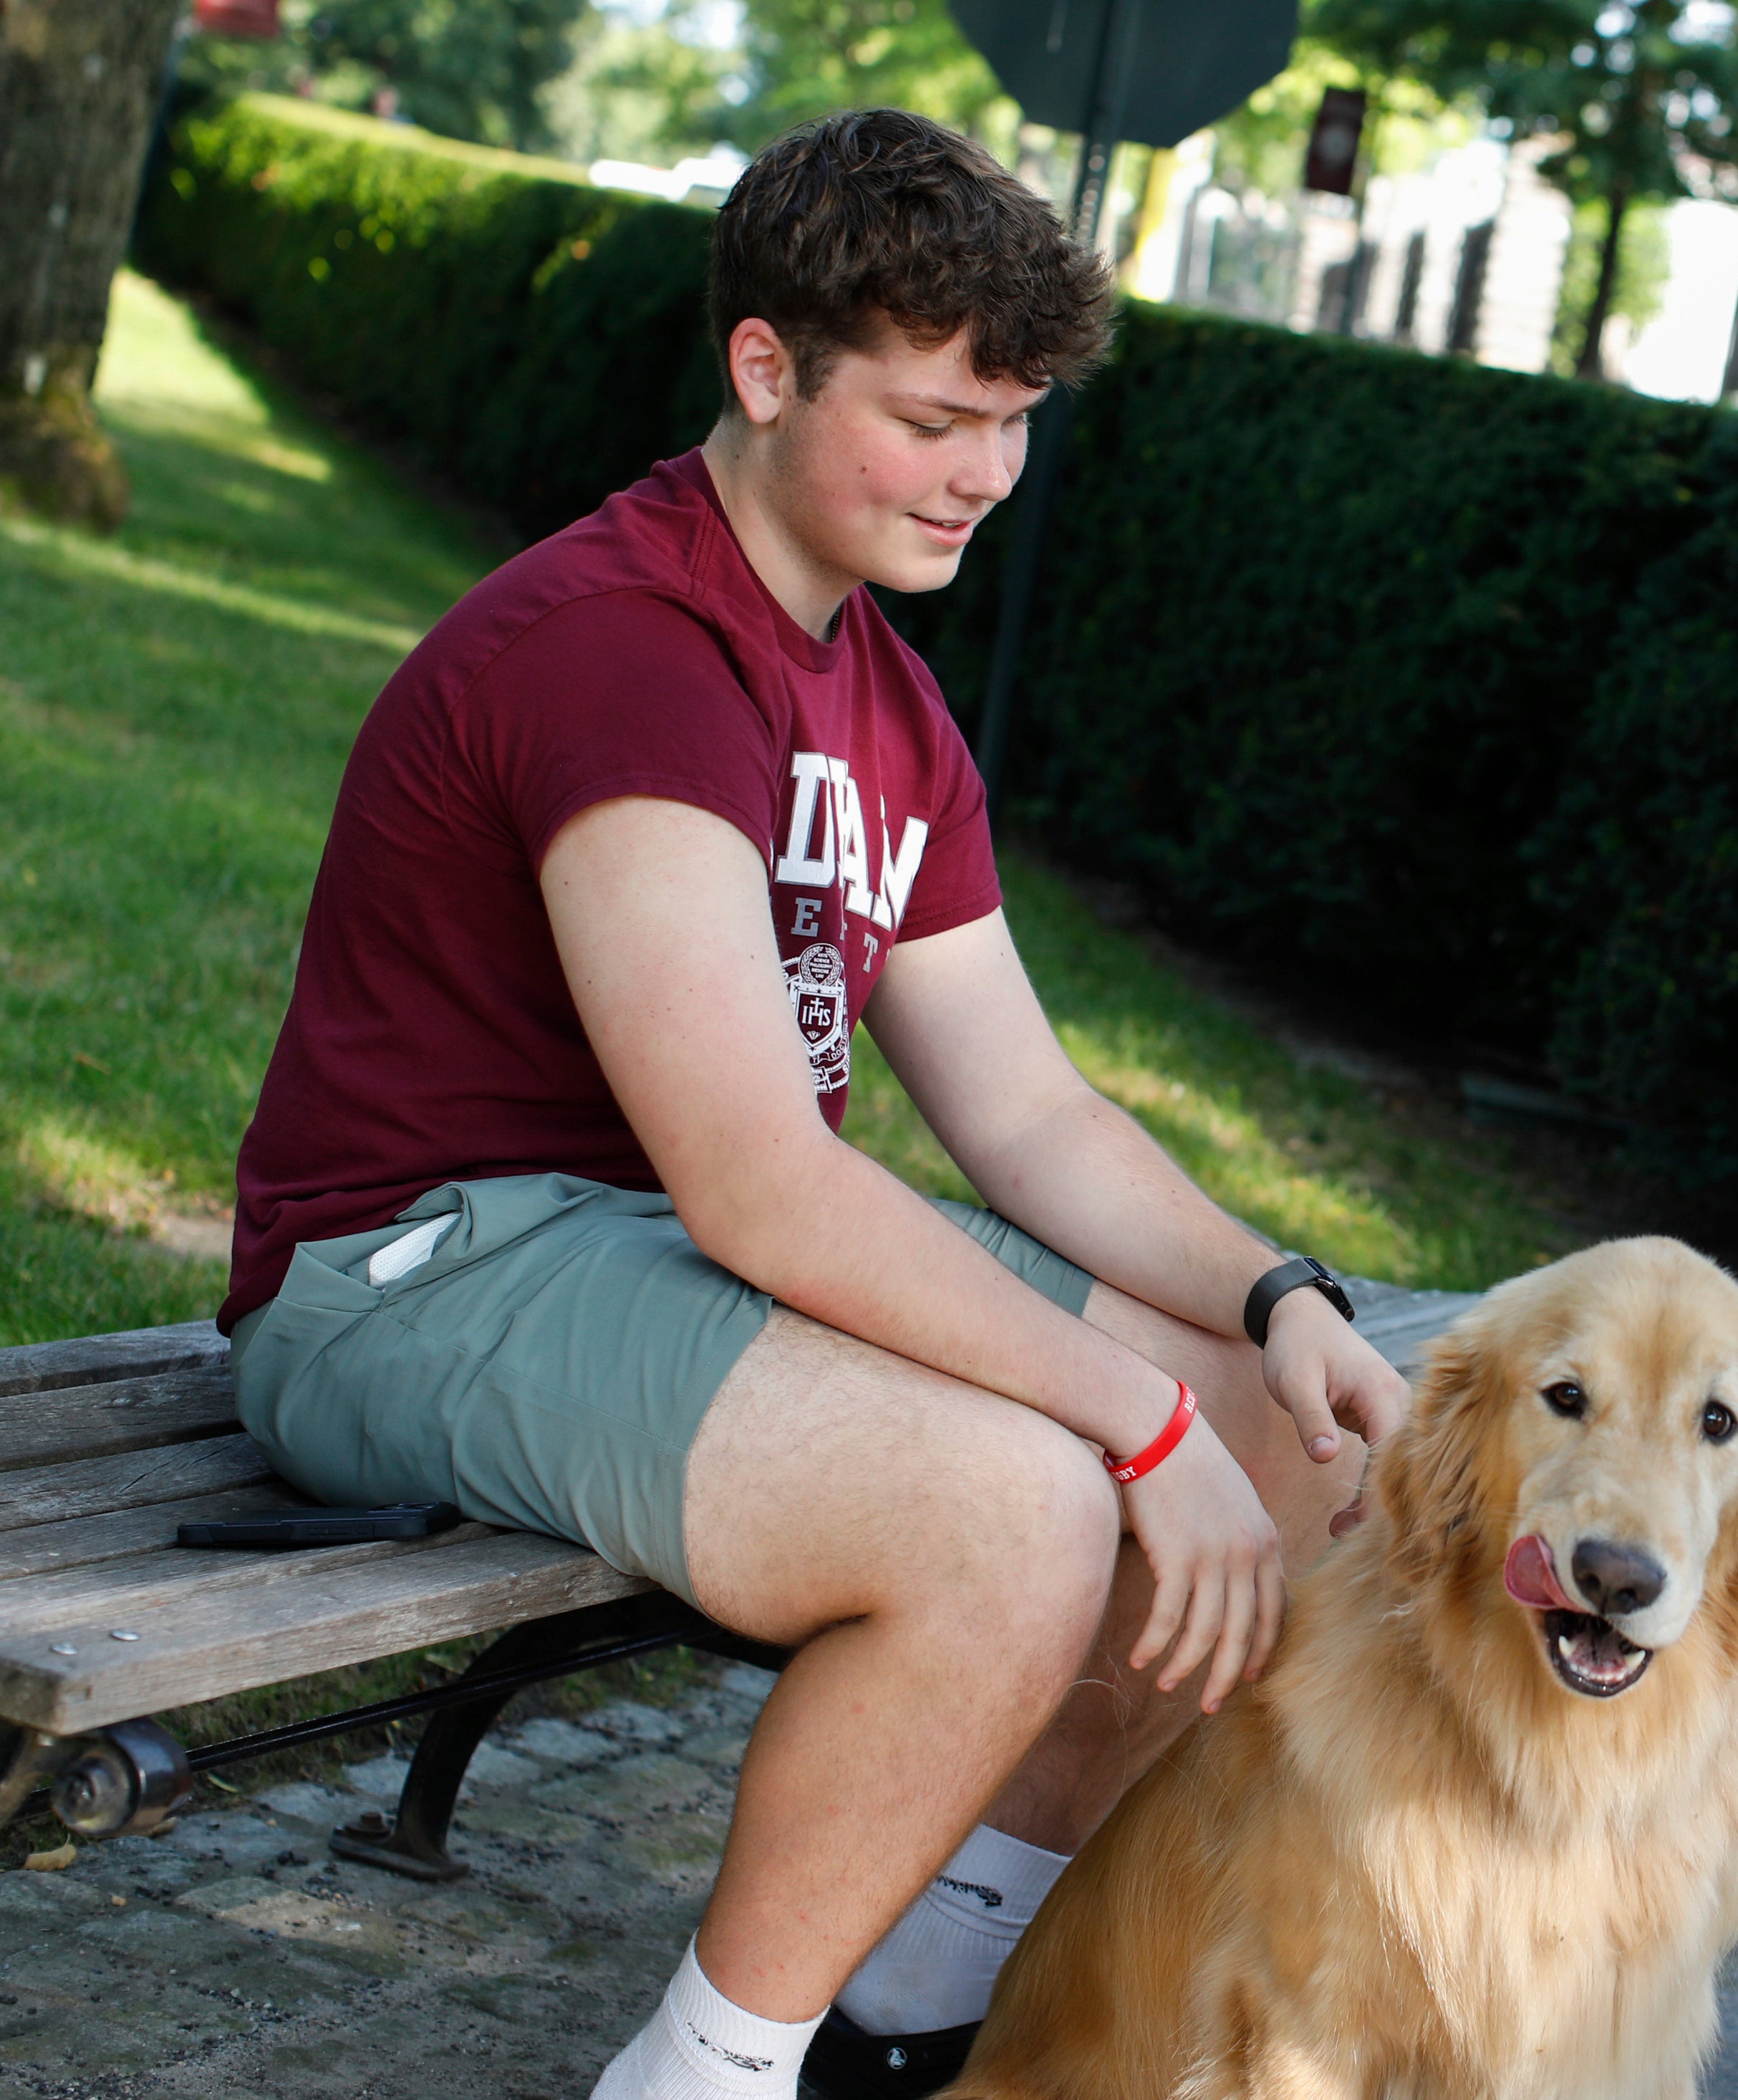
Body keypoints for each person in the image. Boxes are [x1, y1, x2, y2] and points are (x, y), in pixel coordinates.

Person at [218, 107, 1410, 2100]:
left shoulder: (885, 698)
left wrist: (1284, 1299)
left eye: (1014, 421)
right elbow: (766, 1184)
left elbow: (1029, 1115)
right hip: (409, 1274)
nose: (986, 476)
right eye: (937, 417)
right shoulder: (624, 651)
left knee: (1262, 1413)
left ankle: (921, 2011)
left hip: (650, 1263)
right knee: (1017, 1507)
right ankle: (710, 2074)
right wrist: (1126, 1427)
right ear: (763, 370)